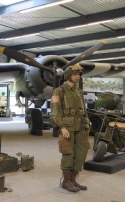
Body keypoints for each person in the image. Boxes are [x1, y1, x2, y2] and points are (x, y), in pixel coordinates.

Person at [50, 64, 91, 193]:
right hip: (67, 127)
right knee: (68, 153)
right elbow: (55, 111)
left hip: (81, 127)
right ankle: (66, 181)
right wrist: (62, 127)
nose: (77, 76)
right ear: (68, 76)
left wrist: (87, 122)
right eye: (75, 74)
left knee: (82, 153)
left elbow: (84, 110)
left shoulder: (79, 91)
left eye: (79, 74)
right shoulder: (59, 91)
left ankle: (73, 179)